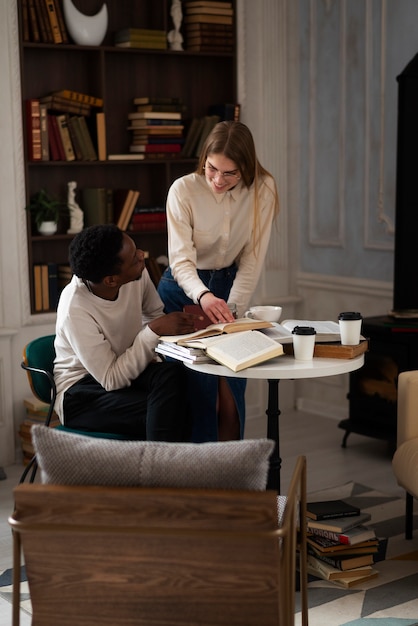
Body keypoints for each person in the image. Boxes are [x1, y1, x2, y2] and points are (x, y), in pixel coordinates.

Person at [157, 120, 279, 442]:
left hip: (231, 289)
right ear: (204, 159)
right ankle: (197, 484)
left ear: (246, 167)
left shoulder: (263, 190)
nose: (218, 180)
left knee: (230, 394)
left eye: (230, 173)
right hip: (184, 292)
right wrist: (205, 297)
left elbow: (251, 260)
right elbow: (181, 261)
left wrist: (233, 307)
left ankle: (231, 482)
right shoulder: (183, 190)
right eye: (212, 168)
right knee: (201, 394)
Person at [54, 224, 198, 441]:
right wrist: (153, 331)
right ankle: (163, 472)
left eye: (137, 249)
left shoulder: (137, 274)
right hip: (81, 391)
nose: (142, 256)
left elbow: (153, 315)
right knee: (167, 410)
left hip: (121, 369)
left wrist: (151, 350)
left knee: (172, 375)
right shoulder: (74, 308)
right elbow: (111, 378)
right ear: (111, 280)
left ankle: (165, 468)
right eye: (134, 259)